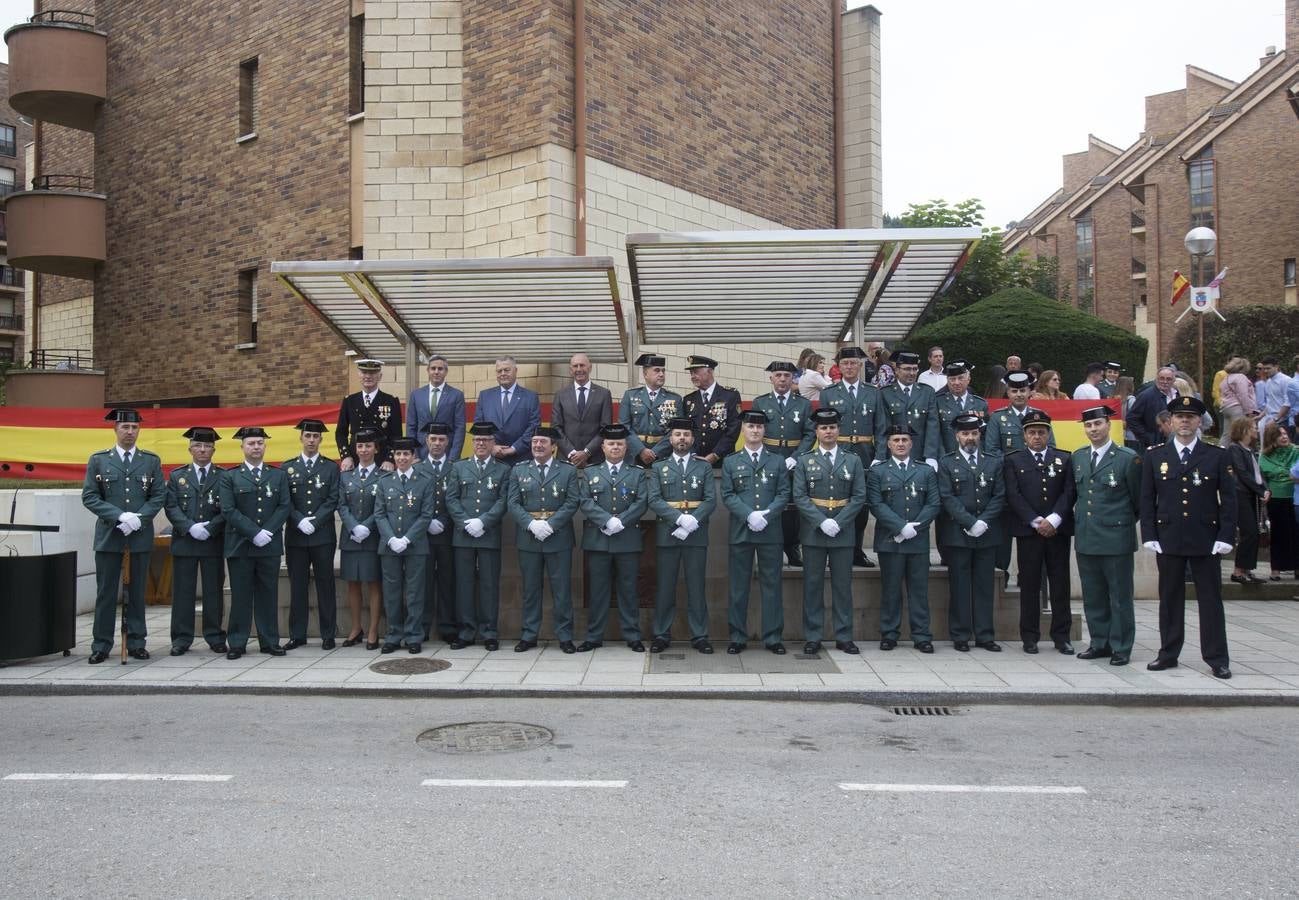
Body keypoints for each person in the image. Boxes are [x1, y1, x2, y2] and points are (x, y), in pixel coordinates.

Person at [1140, 395, 1235, 678]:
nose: (1184, 421)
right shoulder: (1155, 455)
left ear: (1198, 422)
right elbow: (1147, 498)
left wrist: (1226, 535)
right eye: (1179, 417)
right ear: (1170, 422)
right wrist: (1149, 533)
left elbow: (1229, 500)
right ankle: (1168, 653)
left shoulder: (1216, 455)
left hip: (1205, 537)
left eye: (1190, 417)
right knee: (1170, 599)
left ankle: (1217, 658)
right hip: (1168, 536)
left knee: (1210, 600)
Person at [81, 409, 166, 664]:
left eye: (134, 427)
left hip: (138, 535)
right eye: (125, 427)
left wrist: (139, 519)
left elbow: (158, 495)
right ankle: (101, 644)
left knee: (137, 593)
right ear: (115, 429)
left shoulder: (150, 461)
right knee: (106, 593)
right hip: (110, 535)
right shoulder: (99, 460)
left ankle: (137, 642)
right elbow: (90, 496)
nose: (130, 432)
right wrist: (119, 516)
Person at [794, 407, 867, 655]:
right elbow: (800, 496)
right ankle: (813, 636)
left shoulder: (853, 460)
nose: (828, 431)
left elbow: (859, 496)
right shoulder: (805, 460)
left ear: (839, 430)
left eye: (832, 427)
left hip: (843, 531)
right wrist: (821, 521)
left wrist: (839, 522)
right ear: (816, 431)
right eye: (824, 428)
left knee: (842, 587)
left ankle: (844, 636)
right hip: (814, 532)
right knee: (812, 586)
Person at [1072, 406, 1141, 666]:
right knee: (1093, 594)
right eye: (1088, 425)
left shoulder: (1127, 458)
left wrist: (1118, 524)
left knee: (1120, 596)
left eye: (1098, 424)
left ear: (1108, 425)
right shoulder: (1079, 457)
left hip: (1116, 539)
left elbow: (1138, 502)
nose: (1093, 429)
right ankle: (1099, 642)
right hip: (1087, 537)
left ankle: (1121, 645)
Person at [1003, 411, 1076, 654]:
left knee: (1060, 584)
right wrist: (1036, 521)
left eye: (1041, 432)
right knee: (1029, 584)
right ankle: (1030, 636)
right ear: (1024, 435)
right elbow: (1013, 494)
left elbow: (1069, 492)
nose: (1037, 437)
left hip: (1057, 531)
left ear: (1048, 434)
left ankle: (1061, 636)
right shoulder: (1014, 460)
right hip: (1029, 531)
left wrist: (1054, 520)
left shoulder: (1064, 458)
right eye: (1032, 432)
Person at [721, 410, 791, 654]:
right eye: (750, 426)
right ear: (743, 430)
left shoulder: (777, 461)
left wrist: (766, 515)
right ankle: (737, 637)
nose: (755, 430)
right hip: (741, 530)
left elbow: (784, 493)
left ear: (764, 431)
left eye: (759, 427)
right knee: (738, 587)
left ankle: (773, 637)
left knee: (772, 586)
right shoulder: (731, 461)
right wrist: (749, 515)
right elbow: (728, 494)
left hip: (770, 532)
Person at [867, 424, 940, 653]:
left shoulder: (925, 471)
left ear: (911, 443)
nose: (900, 444)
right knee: (890, 590)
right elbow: (876, 504)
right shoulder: (878, 471)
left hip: (917, 540)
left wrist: (914, 528)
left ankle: (922, 635)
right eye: (896, 440)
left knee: (919, 591)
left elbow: (933, 503)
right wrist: (900, 527)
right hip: (890, 540)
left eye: (904, 440)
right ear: (888, 444)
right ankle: (889, 634)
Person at [219, 426, 292, 659]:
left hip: (269, 544)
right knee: (240, 596)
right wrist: (253, 533)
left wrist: (267, 531)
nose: (256, 447)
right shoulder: (230, 476)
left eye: (260, 443)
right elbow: (228, 509)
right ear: (242, 447)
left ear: (265, 446)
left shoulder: (278, 475)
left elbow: (284, 505)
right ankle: (237, 642)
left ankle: (270, 641)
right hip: (240, 545)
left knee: (268, 595)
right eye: (251, 443)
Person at [647, 418, 718, 654]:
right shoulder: (659, 467)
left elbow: (710, 500)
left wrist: (692, 522)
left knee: (696, 587)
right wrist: (679, 520)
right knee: (665, 587)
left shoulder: (704, 467)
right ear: (670, 439)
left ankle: (700, 635)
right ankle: (661, 634)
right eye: (678, 434)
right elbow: (654, 500)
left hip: (696, 535)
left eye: (686, 435)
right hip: (668, 534)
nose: (682, 439)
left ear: (692, 439)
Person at [508, 426, 580, 653]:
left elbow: (572, 501)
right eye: (535, 442)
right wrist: (531, 524)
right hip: (528, 538)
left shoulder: (567, 471)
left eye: (543, 442)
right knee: (530, 590)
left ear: (554, 446)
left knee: (562, 590)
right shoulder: (519, 470)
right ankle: (529, 635)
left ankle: (565, 636)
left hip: (558, 537)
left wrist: (550, 524)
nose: (538, 446)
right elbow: (513, 503)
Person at [937, 413, 1006, 652]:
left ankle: (985, 635)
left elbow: (999, 495)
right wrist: (969, 522)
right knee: (960, 586)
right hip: (958, 533)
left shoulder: (993, 461)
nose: (970, 438)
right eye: (965, 433)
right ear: (957, 436)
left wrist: (983, 521)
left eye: (974, 433)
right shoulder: (946, 462)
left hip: (987, 532)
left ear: (980, 435)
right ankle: (960, 634)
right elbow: (947, 496)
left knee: (985, 586)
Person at [576, 424, 649, 652]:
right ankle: (594, 636)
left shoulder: (637, 473)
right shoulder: (590, 472)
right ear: (603, 447)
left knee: (629, 590)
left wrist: (622, 521)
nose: (615, 447)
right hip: (598, 540)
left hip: (627, 539)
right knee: (598, 591)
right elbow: (584, 501)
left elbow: (642, 502)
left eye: (619, 444)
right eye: (611, 444)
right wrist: (607, 520)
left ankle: (632, 636)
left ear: (626, 448)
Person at [445, 422, 512, 650]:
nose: (481, 443)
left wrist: (483, 521)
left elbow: (503, 500)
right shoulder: (459, 467)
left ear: (493, 443)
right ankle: (466, 632)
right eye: (477, 440)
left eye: (485, 440)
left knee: (489, 585)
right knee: (464, 584)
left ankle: (489, 632)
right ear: (472, 443)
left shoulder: (503, 469)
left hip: (489, 534)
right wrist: (466, 522)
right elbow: (451, 498)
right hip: (463, 535)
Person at [819, 346, 887, 568]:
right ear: (839, 367)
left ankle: (857, 550)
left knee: (861, 503)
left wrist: (879, 456)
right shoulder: (829, 393)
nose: (849, 367)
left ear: (860, 366)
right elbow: (823, 426)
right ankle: (835, 550)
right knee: (836, 499)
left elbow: (881, 428)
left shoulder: (873, 392)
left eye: (853, 363)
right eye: (845, 363)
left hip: (865, 454)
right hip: (838, 452)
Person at [164, 426, 227, 656]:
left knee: (213, 592)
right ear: (190, 449)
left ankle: (215, 636)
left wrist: (210, 528)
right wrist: (190, 527)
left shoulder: (223, 476)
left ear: (214, 450)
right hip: (185, 542)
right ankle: (181, 638)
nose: (202, 450)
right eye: (198, 446)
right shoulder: (177, 476)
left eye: (207, 446)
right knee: (183, 592)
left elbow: (228, 508)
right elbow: (171, 506)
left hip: (213, 542)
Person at [375, 436, 436, 654]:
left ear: (413, 456)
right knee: (392, 592)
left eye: (406, 454)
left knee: (415, 592)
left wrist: (407, 539)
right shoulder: (384, 481)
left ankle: (413, 636)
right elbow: (379, 514)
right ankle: (393, 635)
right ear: (393, 456)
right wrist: (392, 539)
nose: (402, 458)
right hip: (389, 546)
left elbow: (426, 515)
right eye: (398, 454)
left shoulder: (425, 481)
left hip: (415, 545)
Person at [282, 418, 340, 650]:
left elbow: (333, 499)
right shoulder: (288, 468)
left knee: (326, 585)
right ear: (301, 438)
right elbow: (284, 500)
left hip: (322, 536)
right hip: (296, 537)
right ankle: (297, 634)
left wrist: (315, 521)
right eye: (308, 436)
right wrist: (299, 520)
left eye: (316, 436)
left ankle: (328, 634)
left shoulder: (330, 468)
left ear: (321, 440)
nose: (311, 440)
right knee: (297, 586)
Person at [751, 360, 815, 567]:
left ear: (792, 379)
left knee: (793, 507)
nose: (782, 379)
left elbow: (810, 434)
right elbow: (755, 432)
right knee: (768, 502)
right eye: (778, 375)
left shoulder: (803, 404)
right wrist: (765, 458)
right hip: (768, 459)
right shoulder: (761, 403)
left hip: (793, 460)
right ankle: (771, 548)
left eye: (787, 376)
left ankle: (792, 546)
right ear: (771, 378)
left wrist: (795, 457)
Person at [337, 428, 384, 649]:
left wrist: (366, 526)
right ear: (355, 449)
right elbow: (341, 505)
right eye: (360, 446)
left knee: (374, 583)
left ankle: (373, 630)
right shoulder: (346, 476)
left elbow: (383, 507)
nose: (364, 450)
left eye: (368, 446)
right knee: (353, 584)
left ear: (376, 449)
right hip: (351, 537)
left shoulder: (384, 476)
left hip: (373, 537)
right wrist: (353, 526)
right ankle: (356, 628)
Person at [418, 422, 457, 643]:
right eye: (433, 439)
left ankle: (447, 627)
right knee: (422, 582)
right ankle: (422, 627)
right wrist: (427, 522)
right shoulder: (417, 469)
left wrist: (443, 520)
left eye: (441, 439)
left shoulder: (455, 468)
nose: (437, 443)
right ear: (426, 441)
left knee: (447, 581)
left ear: (447, 442)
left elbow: (459, 500)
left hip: (447, 533)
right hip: (422, 536)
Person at [337, 358, 403, 471]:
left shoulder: (391, 401)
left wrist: (390, 459)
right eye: (364, 372)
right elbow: (341, 433)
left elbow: (396, 435)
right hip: (354, 460)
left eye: (372, 373)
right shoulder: (349, 401)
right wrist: (346, 456)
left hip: (382, 462)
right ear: (359, 375)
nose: (368, 376)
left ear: (380, 376)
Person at [474, 356, 540, 467]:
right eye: (499, 371)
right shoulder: (485, 396)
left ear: (516, 371)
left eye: (507, 370)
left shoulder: (530, 397)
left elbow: (533, 427)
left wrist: (513, 449)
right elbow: (479, 426)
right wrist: (491, 447)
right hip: (492, 459)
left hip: (521, 459)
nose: (503, 373)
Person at [620, 352, 683, 467]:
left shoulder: (675, 399)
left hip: (663, 456)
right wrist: (641, 450)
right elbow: (624, 426)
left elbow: (676, 429)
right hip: (634, 455)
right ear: (645, 374)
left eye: (663, 371)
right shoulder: (630, 395)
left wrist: (656, 452)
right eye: (657, 370)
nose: (661, 374)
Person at [880, 350, 939, 471]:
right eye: (907, 369)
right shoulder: (885, 393)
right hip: (894, 454)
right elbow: (883, 427)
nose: (911, 373)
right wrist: (881, 455)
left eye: (914, 369)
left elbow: (932, 425)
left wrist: (930, 455)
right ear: (897, 370)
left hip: (920, 453)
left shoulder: (927, 392)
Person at [552, 352, 613, 468]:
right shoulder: (560, 395)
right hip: (566, 459)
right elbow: (556, 427)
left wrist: (587, 452)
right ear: (571, 370)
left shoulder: (604, 394)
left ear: (590, 368)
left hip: (595, 459)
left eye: (582, 365)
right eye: (575, 366)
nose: (579, 369)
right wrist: (571, 453)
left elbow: (605, 428)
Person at [1226, 416, 1267, 584]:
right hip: (1240, 494)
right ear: (1244, 430)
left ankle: (1247, 569)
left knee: (1254, 533)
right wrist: (1260, 490)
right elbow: (1242, 473)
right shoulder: (1234, 449)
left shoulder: (1250, 450)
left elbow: (1257, 473)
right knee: (1248, 532)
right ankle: (1238, 571)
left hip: (1251, 494)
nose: (1256, 430)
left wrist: (1265, 489)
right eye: (1253, 427)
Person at [682, 354, 743, 467]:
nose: (693, 376)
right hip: (694, 461)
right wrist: (693, 454)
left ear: (709, 371)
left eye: (696, 372)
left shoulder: (730, 395)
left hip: (723, 461)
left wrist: (715, 455)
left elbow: (733, 429)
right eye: (691, 373)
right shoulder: (689, 400)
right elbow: (686, 430)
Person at [406, 354, 466, 461]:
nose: (436, 372)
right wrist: (414, 454)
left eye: (440, 369)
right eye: (433, 368)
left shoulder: (456, 395)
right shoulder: (416, 395)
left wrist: (453, 457)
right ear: (428, 370)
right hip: (421, 454)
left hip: (447, 454)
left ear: (446, 371)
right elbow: (411, 427)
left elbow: (460, 428)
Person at [1260, 423, 1299, 580]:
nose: (1284, 437)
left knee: (1296, 533)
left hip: (1295, 498)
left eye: (1285, 434)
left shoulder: (1296, 451)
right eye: (1279, 435)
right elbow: (1265, 475)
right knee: (1278, 534)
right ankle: (1276, 569)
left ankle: (1297, 567)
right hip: (1275, 498)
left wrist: (1283, 473)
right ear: (1271, 438)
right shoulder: (1265, 456)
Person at [934, 361, 990, 455]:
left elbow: (985, 435)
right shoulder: (938, 402)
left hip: (973, 456)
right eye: (952, 379)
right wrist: (942, 457)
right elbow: (935, 434)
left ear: (968, 379)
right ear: (947, 381)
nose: (956, 382)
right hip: (947, 456)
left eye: (960, 378)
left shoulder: (981, 404)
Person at [1126, 366, 1178, 452]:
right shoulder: (1146, 396)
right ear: (1156, 379)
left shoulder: (1177, 395)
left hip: (1175, 442)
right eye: (1162, 378)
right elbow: (1131, 418)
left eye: (1168, 379)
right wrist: (1148, 437)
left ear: (1173, 380)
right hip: (1154, 445)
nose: (1165, 382)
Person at [1218, 356, 1259, 447]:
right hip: (1237, 408)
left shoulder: (1226, 378)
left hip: (1226, 407)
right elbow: (1243, 395)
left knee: (1226, 434)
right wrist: (1249, 411)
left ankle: (1221, 451)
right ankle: (1239, 452)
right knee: (1240, 433)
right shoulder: (1241, 377)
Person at [1258, 357, 1293, 434]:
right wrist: (1261, 415)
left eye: (1268, 368)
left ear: (1276, 367)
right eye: (1264, 369)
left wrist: (1276, 419)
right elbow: (1270, 403)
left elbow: (1288, 403)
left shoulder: (1286, 380)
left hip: (1283, 421)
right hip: (1270, 420)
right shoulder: (1268, 382)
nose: (1265, 371)